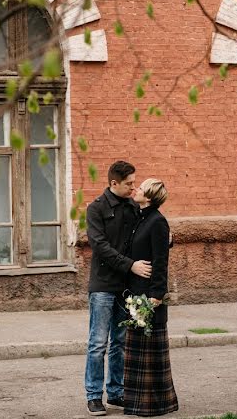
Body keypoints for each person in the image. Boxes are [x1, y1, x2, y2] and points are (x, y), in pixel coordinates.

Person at [85, 161, 152, 417]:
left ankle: (116, 392)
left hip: (126, 288)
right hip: (103, 286)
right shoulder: (96, 209)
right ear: (114, 183)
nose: (133, 187)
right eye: (129, 184)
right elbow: (100, 247)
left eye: (134, 183)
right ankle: (93, 396)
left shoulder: (134, 207)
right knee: (98, 344)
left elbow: (148, 232)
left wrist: (166, 239)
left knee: (120, 343)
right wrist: (131, 266)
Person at [123, 178, 179, 417]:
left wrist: (157, 295)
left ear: (149, 197)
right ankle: (138, 403)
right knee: (138, 353)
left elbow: (160, 261)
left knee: (150, 354)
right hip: (136, 292)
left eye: (141, 188)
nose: (136, 189)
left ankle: (155, 405)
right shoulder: (141, 215)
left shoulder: (157, 221)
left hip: (149, 295)